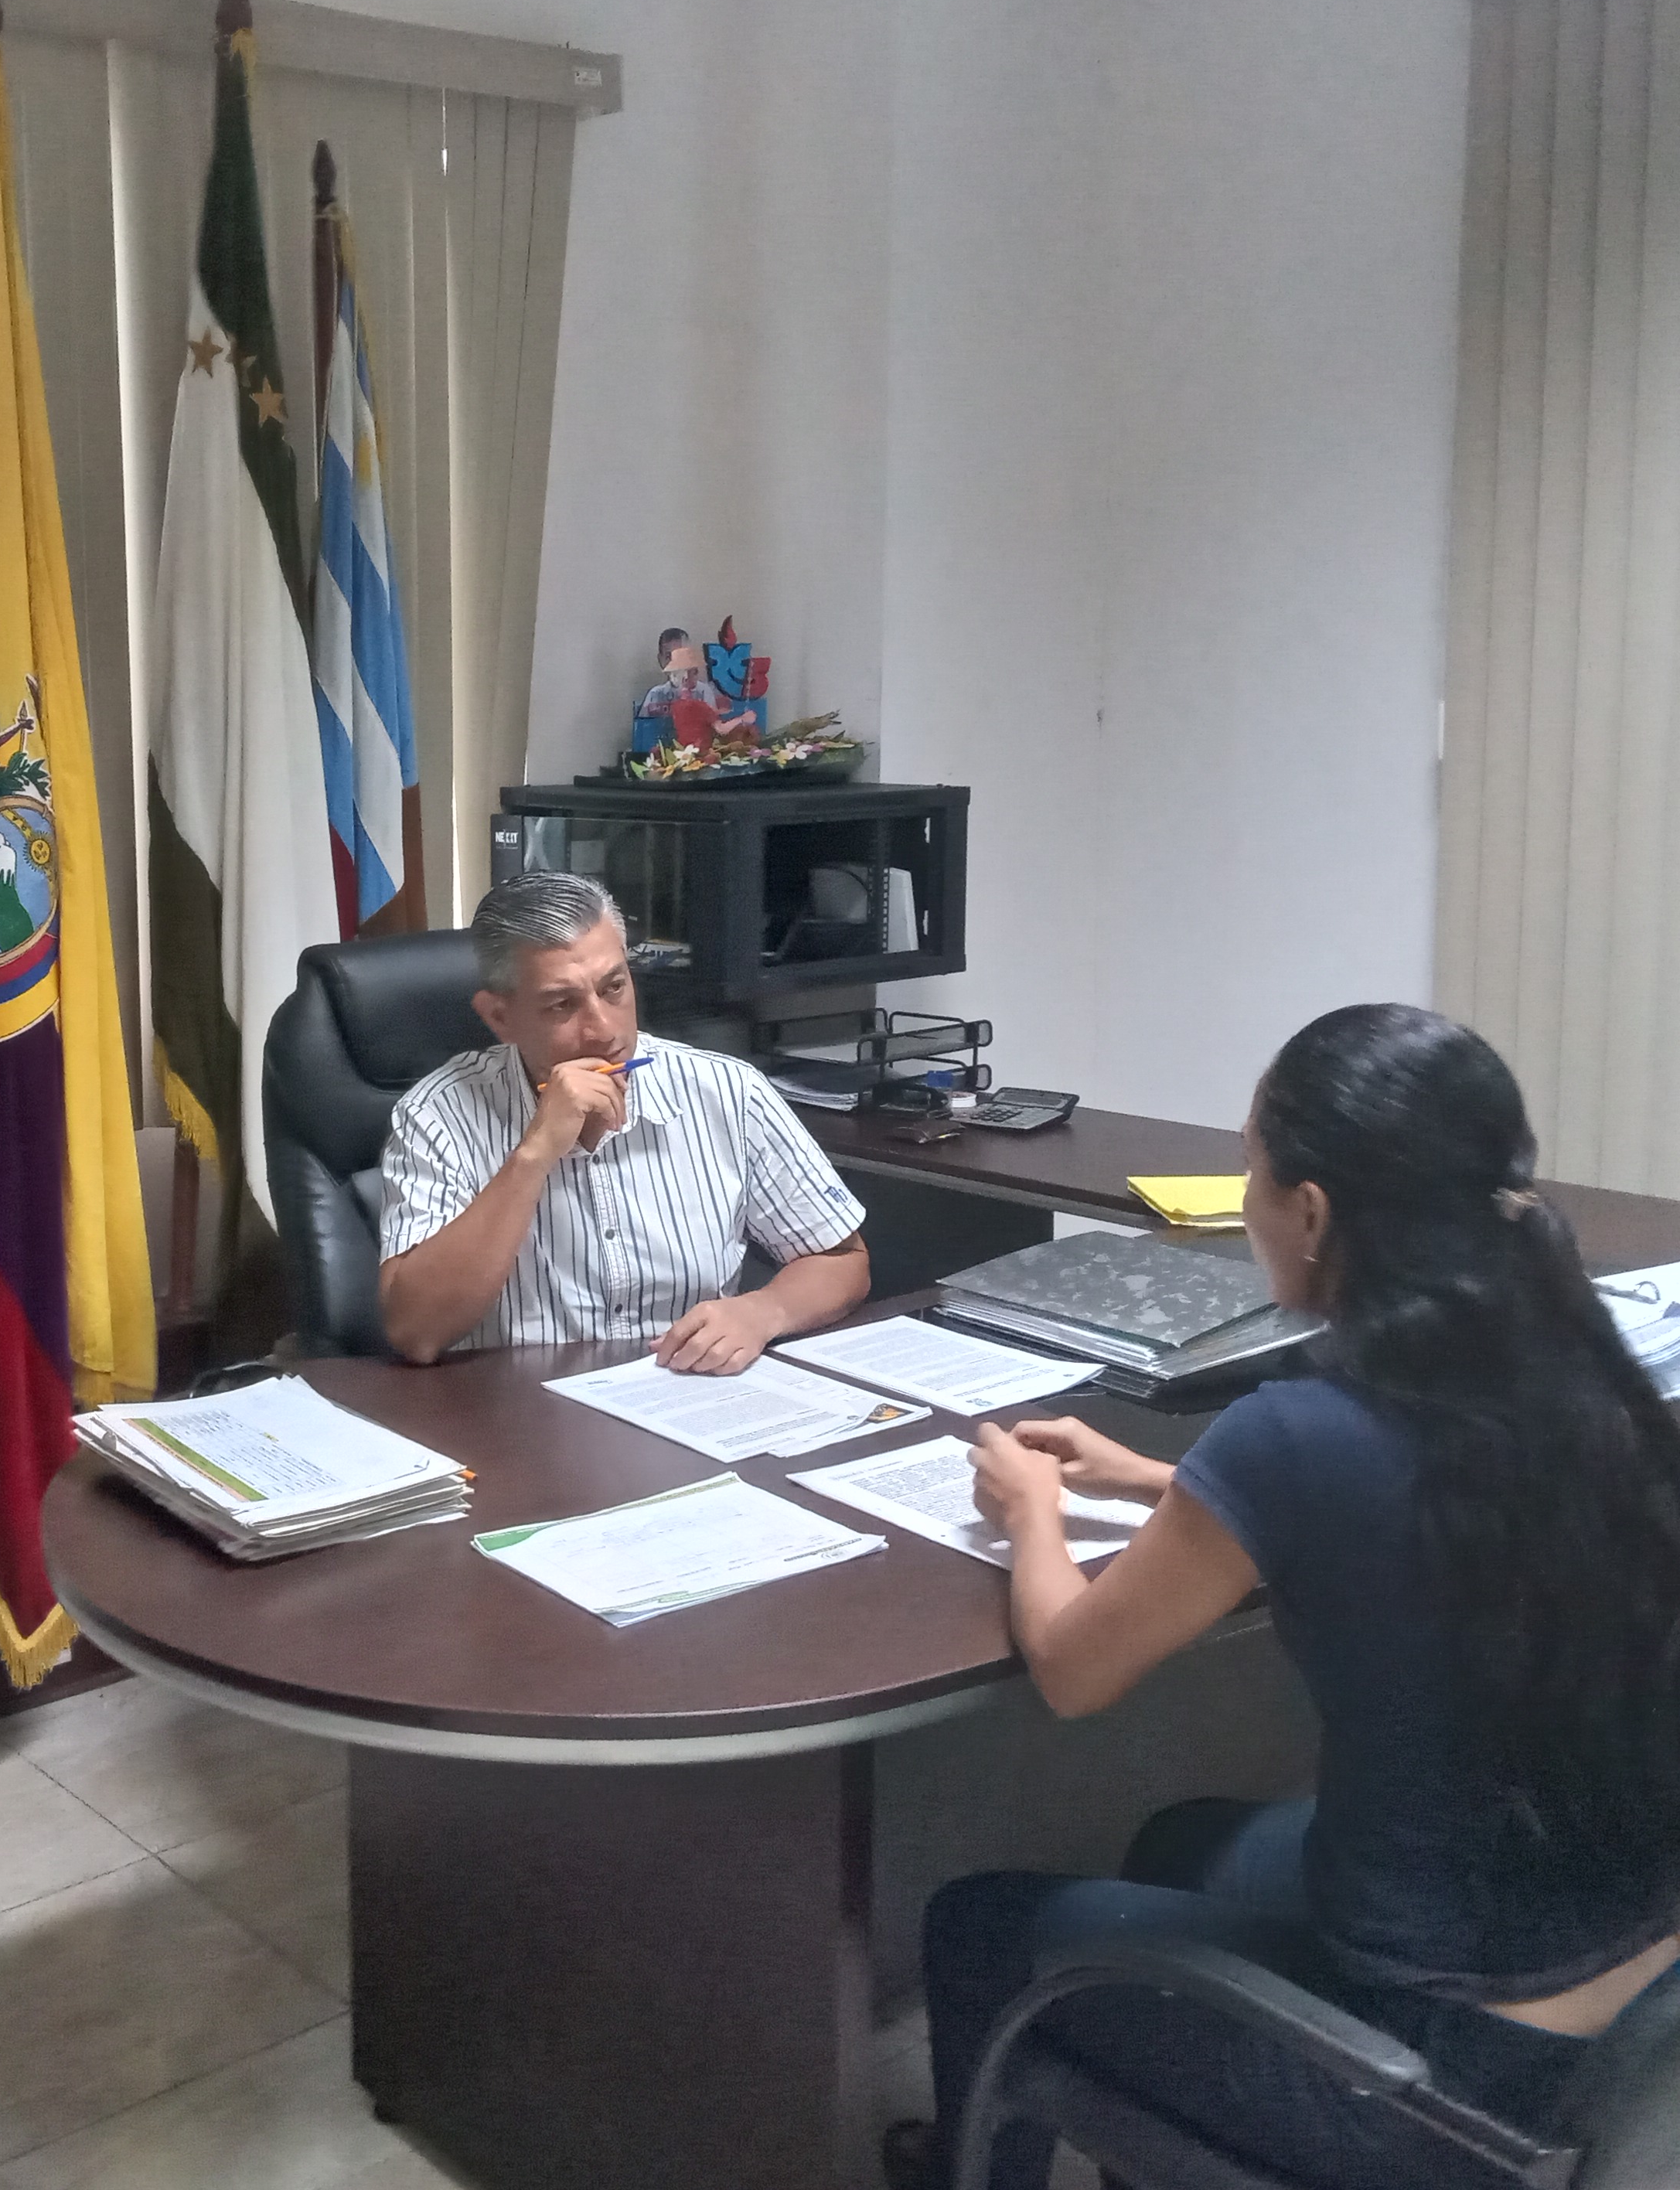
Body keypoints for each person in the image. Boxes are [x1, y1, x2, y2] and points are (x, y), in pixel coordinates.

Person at [898, 1003, 1680, 2190]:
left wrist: (1032, 1513)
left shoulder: (1300, 1434)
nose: (1250, 1202)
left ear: (1310, 1212)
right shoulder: (1579, 1365)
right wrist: (1169, 1483)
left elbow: (1072, 1668)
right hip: (1630, 1992)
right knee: (1177, 1842)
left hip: (1449, 2078)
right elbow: (1410, 1504)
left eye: (1252, 1173)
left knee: (978, 1927)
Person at [379, 870, 870, 1364]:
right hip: (519, 1401)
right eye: (563, 1004)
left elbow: (841, 1259)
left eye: (613, 987)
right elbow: (415, 1332)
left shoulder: (727, 1091)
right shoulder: (438, 1114)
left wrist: (764, 1312)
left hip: (686, 1388)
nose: (603, 1029)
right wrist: (533, 1155)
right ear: (499, 1018)